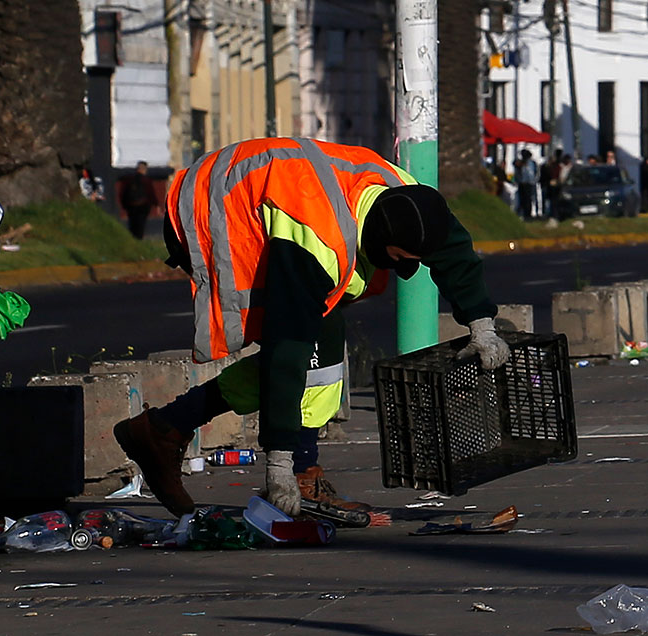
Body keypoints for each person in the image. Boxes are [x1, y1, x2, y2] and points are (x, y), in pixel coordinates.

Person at [113, 138, 509, 518]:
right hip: (213, 210)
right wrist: (279, 463)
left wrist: (482, 325)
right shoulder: (316, 241)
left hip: (270, 190)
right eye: (400, 259)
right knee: (311, 352)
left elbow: (454, 251)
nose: (405, 270)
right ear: (381, 240)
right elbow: (289, 347)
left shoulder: (407, 197)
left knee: (321, 357)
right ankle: (297, 473)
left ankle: (164, 427)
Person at [119, 161, 159, 239]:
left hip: (131, 206)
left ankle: (132, 239)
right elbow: (150, 193)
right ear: (144, 169)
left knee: (132, 224)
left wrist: (124, 205)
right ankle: (138, 240)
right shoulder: (146, 180)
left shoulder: (129, 179)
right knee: (140, 225)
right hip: (143, 206)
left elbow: (123, 193)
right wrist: (156, 204)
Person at [516, 149, 538, 219]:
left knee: (529, 199)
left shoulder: (532, 163)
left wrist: (534, 180)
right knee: (522, 199)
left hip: (530, 183)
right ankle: (522, 213)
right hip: (522, 183)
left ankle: (528, 214)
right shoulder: (520, 163)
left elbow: (534, 172)